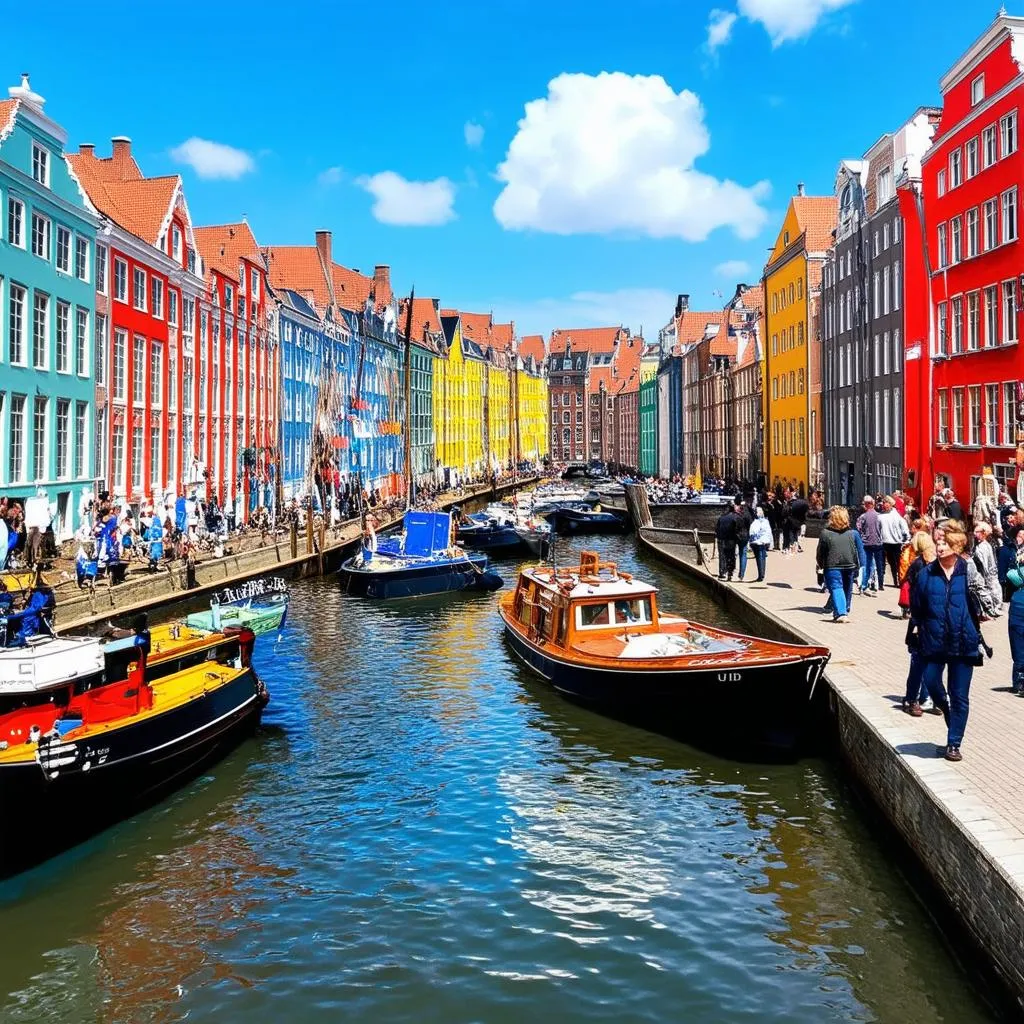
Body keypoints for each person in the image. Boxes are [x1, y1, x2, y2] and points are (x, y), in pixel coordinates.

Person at [910, 520, 983, 762]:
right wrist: (920, 628)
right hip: (935, 640)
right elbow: (917, 606)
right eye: (938, 542)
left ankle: (954, 743)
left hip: (964, 642)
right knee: (931, 682)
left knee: (959, 694)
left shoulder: (968, 571)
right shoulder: (925, 574)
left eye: (945, 543)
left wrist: (984, 614)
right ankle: (948, 713)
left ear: (958, 547)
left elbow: (984, 597)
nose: (939, 547)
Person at [902, 532, 937, 715]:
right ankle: (911, 699)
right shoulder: (918, 565)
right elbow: (913, 589)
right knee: (918, 664)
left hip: (935, 622)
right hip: (920, 621)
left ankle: (926, 698)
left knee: (932, 663)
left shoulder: (939, 564)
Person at [815, 506, 860, 623]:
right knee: (846, 588)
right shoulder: (852, 533)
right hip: (849, 564)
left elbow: (821, 551)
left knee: (836, 588)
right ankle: (841, 611)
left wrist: (820, 564)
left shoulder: (825, 533)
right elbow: (855, 550)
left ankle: (841, 613)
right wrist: (857, 566)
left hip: (832, 565)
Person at [1005, 531, 1024, 694]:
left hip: (1018, 605)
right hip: (1018, 606)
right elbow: (1010, 575)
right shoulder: (1018, 558)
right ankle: (1018, 680)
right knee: (1018, 646)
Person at [878, 495, 911, 587]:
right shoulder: (893, 516)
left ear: (890, 504)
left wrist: (905, 540)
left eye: (885, 502)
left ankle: (887, 582)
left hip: (891, 543)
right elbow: (905, 531)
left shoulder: (882, 517)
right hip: (891, 543)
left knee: (891, 563)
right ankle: (895, 581)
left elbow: (905, 531)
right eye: (884, 503)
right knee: (895, 564)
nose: (884, 504)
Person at [972, 522, 1002, 617]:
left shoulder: (982, 547)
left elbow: (984, 565)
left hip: (988, 576)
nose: (974, 534)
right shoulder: (985, 545)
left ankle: (992, 608)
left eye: (977, 532)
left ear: (983, 533)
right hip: (991, 575)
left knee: (991, 591)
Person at [856, 495, 885, 593]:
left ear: (867, 504)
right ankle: (879, 584)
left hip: (866, 543)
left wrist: (864, 534)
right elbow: (881, 529)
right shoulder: (879, 516)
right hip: (878, 542)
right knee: (879, 563)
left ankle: (864, 584)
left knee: (867, 563)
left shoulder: (862, 517)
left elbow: (858, 528)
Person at [715, 504, 739, 582]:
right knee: (731, 556)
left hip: (721, 539)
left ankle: (722, 572)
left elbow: (717, 529)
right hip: (731, 539)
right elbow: (737, 529)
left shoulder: (721, 518)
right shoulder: (735, 518)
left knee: (722, 556)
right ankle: (730, 572)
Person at [748, 507, 772, 583]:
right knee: (763, 557)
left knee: (759, 558)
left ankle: (760, 575)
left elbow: (753, 532)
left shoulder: (755, 522)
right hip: (764, 541)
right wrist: (769, 541)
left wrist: (751, 540)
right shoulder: (766, 521)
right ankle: (762, 574)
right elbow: (769, 531)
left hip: (757, 542)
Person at [733, 499, 752, 582]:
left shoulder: (737, 515)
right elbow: (750, 525)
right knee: (743, 554)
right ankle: (741, 574)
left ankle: (732, 570)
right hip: (745, 536)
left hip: (737, 535)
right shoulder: (747, 515)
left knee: (734, 553)